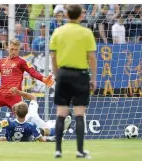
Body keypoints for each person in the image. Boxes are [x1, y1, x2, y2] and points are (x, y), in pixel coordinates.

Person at [49, 5, 97, 159]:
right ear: (80, 16)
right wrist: (94, 78)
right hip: (80, 75)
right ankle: (80, 151)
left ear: (67, 15)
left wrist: (57, 74)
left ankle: (58, 150)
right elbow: (92, 57)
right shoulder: (86, 32)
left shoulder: (58, 31)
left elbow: (53, 56)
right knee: (79, 114)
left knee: (61, 113)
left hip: (63, 74)